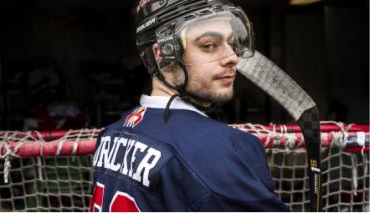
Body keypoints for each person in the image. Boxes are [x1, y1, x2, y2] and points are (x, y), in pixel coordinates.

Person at [90, 0, 289, 211]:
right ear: (163, 56)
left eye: (232, 44)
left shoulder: (111, 134)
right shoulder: (220, 151)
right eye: (209, 46)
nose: (232, 58)